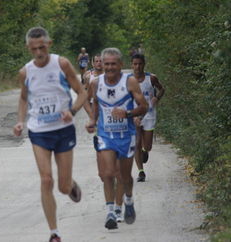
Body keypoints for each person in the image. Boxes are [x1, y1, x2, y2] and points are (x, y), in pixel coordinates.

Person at [13, 27, 87, 242]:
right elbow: (24, 99)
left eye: (42, 47)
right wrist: (20, 121)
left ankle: (71, 184)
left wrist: (71, 111)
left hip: (63, 130)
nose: (39, 53)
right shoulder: (25, 72)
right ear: (28, 48)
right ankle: (54, 232)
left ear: (49, 44)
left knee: (63, 187)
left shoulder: (61, 64)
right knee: (46, 180)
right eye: (34, 49)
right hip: (39, 130)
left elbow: (82, 92)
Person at [85, 48, 148, 229]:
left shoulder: (130, 82)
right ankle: (111, 212)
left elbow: (143, 106)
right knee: (108, 173)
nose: (110, 67)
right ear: (102, 65)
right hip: (106, 135)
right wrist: (92, 120)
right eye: (107, 64)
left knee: (125, 176)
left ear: (120, 65)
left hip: (126, 136)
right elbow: (93, 103)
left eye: (113, 64)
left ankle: (127, 200)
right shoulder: (96, 83)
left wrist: (127, 113)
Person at [83, 54, 125, 225]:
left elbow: (139, 104)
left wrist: (132, 115)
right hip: (102, 130)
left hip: (122, 132)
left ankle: (117, 208)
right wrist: (92, 117)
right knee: (104, 174)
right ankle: (113, 201)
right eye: (101, 62)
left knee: (119, 173)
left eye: (110, 64)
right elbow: (85, 99)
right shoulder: (92, 80)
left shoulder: (126, 83)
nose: (105, 66)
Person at [131, 53, 165, 182]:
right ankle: (141, 172)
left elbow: (162, 89)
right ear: (131, 65)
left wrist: (156, 97)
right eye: (135, 64)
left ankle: (146, 150)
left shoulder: (151, 78)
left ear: (144, 64)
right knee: (136, 143)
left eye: (140, 64)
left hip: (149, 114)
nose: (137, 66)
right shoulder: (127, 80)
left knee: (148, 145)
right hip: (134, 115)